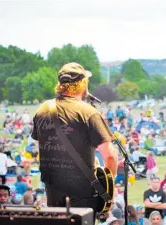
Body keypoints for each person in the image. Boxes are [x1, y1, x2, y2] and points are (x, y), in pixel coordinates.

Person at [31, 62, 118, 213]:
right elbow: (110, 155)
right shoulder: (88, 112)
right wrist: (107, 187)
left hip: (52, 193)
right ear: (83, 83)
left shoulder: (42, 110)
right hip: (83, 196)